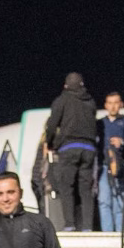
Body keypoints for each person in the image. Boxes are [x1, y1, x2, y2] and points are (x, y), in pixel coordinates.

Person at [42, 72, 99, 231]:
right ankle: (87, 226)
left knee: (66, 187)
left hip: (69, 147)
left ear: (65, 85)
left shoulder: (62, 100)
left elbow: (52, 124)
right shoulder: (90, 101)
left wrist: (49, 142)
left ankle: (69, 224)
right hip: (89, 148)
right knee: (86, 189)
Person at [97, 91, 124, 234]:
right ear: (105, 105)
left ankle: (120, 233)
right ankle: (108, 233)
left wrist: (122, 142)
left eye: (116, 103)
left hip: (122, 165)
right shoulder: (100, 123)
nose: (113, 106)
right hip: (104, 166)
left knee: (119, 201)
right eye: (110, 103)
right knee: (104, 200)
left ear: (121, 104)